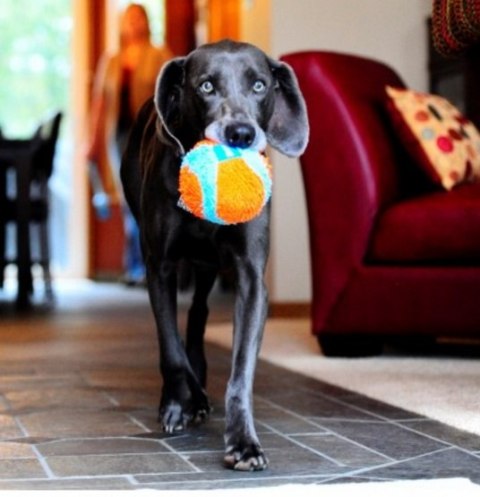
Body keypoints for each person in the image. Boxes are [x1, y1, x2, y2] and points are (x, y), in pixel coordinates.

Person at [87, 3, 172, 285]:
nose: (134, 23)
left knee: (150, 198)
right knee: (127, 199)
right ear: (122, 24)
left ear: (147, 22)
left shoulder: (160, 55)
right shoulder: (111, 60)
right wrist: (91, 141)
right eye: (129, 18)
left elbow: (173, 96)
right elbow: (100, 104)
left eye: (139, 18)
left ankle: (152, 265)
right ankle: (134, 265)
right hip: (119, 137)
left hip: (150, 136)